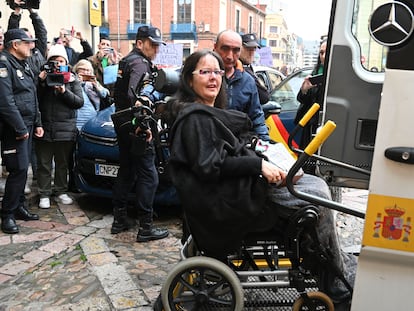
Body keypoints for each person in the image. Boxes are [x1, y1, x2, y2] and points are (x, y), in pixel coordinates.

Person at [164, 49, 356, 306]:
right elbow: (209, 166)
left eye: (217, 72)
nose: (213, 78)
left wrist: (264, 156)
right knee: (317, 199)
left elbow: (231, 147)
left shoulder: (205, 113)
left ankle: (333, 264)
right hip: (226, 200)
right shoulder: (194, 119)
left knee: (318, 185)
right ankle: (335, 285)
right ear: (189, 80)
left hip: (235, 187)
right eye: (205, 72)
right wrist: (259, 166)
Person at [111, 25, 169, 242]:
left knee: (126, 170)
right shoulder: (139, 64)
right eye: (152, 44)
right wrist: (143, 125)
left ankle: (119, 220)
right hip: (136, 125)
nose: (155, 49)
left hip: (123, 122)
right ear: (140, 43)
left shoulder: (127, 60)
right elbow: (134, 95)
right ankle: (145, 227)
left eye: (157, 45)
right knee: (148, 175)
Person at [0, 28, 44, 234]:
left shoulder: (22, 64)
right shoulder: (4, 63)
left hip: (27, 124)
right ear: (15, 45)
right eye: (27, 42)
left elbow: (31, 96)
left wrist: (38, 122)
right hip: (14, 128)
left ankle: (19, 206)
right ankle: (7, 214)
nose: (31, 46)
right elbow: (5, 102)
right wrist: (19, 127)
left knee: (22, 168)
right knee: (17, 170)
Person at [35, 44, 84, 209]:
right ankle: (44, 193)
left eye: (60, 61)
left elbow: (79, 102)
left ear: (66, 62)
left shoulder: (72, 79)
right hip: (44, 127)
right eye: (53, 61)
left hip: (65, 130)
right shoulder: (41, 77)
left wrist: (64, 91)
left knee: (62, 163)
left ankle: (61, 191)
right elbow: (33, 99)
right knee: (44, 163)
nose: (57, 64)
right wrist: (41, 81)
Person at [214, 30, 269, 141]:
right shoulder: (202, 76)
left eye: (235, 50)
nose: (230, 56)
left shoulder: (248, 81)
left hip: (238, 147)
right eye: (225, 49)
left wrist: (265, 144)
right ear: (215, 47)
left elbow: (257, 117)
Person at [295, 39, 327, 150]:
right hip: (310, 125)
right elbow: (302, 99)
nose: (323, 56)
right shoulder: (315, 72)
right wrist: (304, 89)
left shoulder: (336, 74)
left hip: (325, 124)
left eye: (326, 52)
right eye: (321, 53)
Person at [73, 59, 110, 130]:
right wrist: (77, 83)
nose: (86, 72)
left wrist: (97, 87)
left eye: (88, 70)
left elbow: (105, 94)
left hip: (94, 118)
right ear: (77, 70)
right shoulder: (73, 81)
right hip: (79, 119)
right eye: (83, 69)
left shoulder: (94, 83)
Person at [87, 35, 121, 99]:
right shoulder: (90, 60)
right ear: (99, 46)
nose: (105, 46)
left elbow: (114, 80)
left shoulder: (112, 61)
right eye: (103, 44)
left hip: (109, 95)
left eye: (107, 45)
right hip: (95, 94)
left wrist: (115, 63)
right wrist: (99, 59)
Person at [240, 33, 270, 105]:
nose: (251, 53)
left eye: (254, 49)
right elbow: (264, 97)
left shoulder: (249, 68)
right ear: (239, 48)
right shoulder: (239, 69)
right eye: (248, 49)